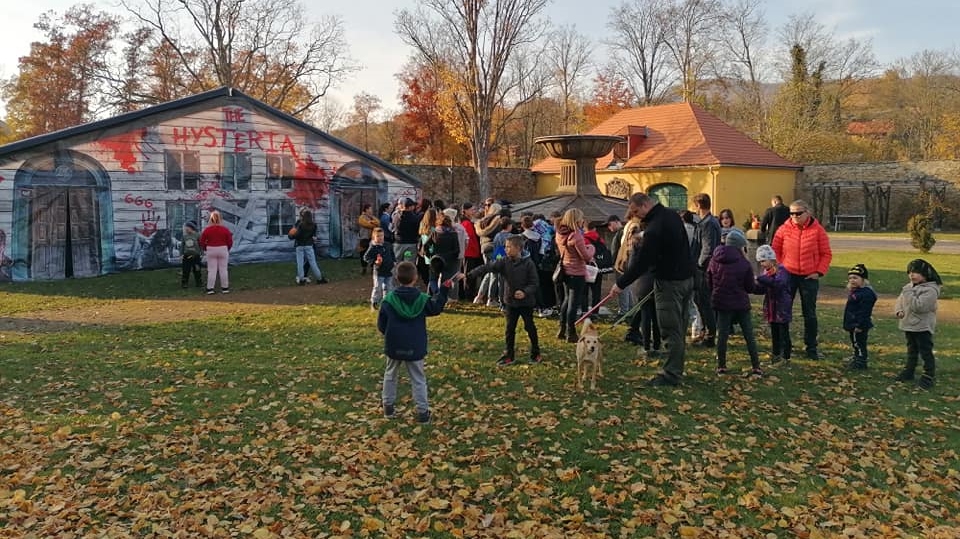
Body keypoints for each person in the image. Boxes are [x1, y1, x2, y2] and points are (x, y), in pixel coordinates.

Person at [611, 193, 695, 387]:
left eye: (636, 211)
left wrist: (620, 283)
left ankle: (671, 374)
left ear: (646, 204)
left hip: (669, 282)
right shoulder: (671, 215)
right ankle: (677, 367)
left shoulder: (655, 228)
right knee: (680, 327)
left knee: (669, 327)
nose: (635, 216)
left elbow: (642, 263)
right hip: (687, 278)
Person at [378, 261, 460, 424]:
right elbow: (436, 308)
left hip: (394, 343)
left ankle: (388, 406)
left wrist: (389, 334)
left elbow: (381, 324)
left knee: (390, 374)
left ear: (396, 278)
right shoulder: (422, 300)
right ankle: (422, 413)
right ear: (415, 278)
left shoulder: (388, 300)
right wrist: (444, 288)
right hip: (415, 344)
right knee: (418, 379)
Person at [771, 199, 832, 360]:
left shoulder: (818, 231)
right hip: (788, 275)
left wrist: (818, 272)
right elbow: (775, 249)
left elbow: (826, 253)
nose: (795, 216)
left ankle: (811, 347)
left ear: (807, 212)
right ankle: (785, 347)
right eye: (791, 213)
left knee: (809, 314)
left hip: (808, 276)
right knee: (783, 312)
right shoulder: (783, 229)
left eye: (798, 213)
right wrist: (780, 267)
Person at [467, 234, 542, 365]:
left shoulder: (529, 264)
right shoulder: (504, 261)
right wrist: (470, 274)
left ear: (518, 248)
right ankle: (509, 354)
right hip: (510, 302)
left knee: (529, 327)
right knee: (509, 329)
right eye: (505, 247)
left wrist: (525, 292)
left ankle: (536, 353)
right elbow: (488, 267)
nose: (506, 249)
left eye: (509, 247)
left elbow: (534, 283)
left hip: (526, 303)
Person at [707, 229, 762, 377]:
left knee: (722, 335)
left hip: (721, 302)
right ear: (740, 246)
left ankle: (721, 366)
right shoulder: (744, 263)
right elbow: (750, 287)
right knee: (748, 335)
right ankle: (756, 366)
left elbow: (710, 282)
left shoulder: (714, 260)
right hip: (740, 303)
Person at [894, 259, 942, 390]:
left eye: (915, 272)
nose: (912, 275)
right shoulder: (909, 287)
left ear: (925, 273)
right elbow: (900, 299)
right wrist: (899, 310)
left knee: (925, 351)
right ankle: (909, 371)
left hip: (922, 326)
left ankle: (928, 376)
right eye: (909, 272)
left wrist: (909, 293)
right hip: (909, 324)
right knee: (911, 350)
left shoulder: (931, 290)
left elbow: (918, 307)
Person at [555, 208, 595, 343]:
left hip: (564, 270)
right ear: (577, 220)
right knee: (573, 302)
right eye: (582, 218)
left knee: (567, 300)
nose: (583, 221)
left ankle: (562, 327)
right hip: (576, 272)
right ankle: (571, 332)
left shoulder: (561, 233)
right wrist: (591, 248)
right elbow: (586, 256)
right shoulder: (576, 236)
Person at [690, 193, 720, 347]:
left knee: (705, 302)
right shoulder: (707, 222)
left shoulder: (708, 223)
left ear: (698, 206)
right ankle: (704, 332)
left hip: (704, 270)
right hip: (703, 268)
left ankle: (709, 336)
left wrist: (699, 265)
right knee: (699, 301)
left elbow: (707, 249)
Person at [754, 245, 792, 364]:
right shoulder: (766, 273)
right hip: (772, 307)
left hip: (782, 307)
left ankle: (786, 356)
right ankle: (776, 354)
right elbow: (763, 288)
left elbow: (778, 284)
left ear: (771, 259)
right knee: (774, 332)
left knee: (783, 332)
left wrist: (761, 279)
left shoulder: (782, 270)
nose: (762, 264)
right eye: (760, 262)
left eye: (764, 261)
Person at [843, 263, 877, 370]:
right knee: (855, 342)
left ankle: (861, 361)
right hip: (853, 322)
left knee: (859, 343)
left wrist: (859, 325)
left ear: (863, 279)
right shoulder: (856, 292)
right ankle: (857, 357)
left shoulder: (866, 294)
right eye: (850, 278)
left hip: (859, 324)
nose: (852, 280)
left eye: (855, 278)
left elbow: (864, 312)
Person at [289, 209, 328, 286]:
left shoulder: (301, 225)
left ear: (303, 216)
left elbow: (297, 235)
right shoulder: (314, 225)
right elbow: (313, 236)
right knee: (313, 262)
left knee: (300, 262)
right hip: (309, 245)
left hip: (300, 245)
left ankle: (301, 280)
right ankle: (319, 278)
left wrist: (291, 236)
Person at [199, 210, 233, 294]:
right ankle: (225, 288)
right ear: (220, 219)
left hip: (211, 249)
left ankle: (210, 288)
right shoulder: (225, 229)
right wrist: (227, 248)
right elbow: (230, 241)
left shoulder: (207, 230)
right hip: (223, 248)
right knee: (223, 269)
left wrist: (205, 248)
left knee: (212, 270)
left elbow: (202, 241)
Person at [363, 227, 396, 310]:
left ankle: (386, 303)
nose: (380, 238)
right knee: (377, 287)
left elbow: (392, 254)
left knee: (389, 287)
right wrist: (375, 262)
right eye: (378, 236)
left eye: (382, 236)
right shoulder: (373, 247)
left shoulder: (388, 245)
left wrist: (394, 261)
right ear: (374, 237)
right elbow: (366, 257)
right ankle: (374, 302)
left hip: (389, 271)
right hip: (379, 271)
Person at [460, 202, 483, 300]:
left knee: (469, 274)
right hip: (469, 253)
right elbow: (469, 239)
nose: (473, 212)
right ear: (465, 211)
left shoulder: (468, 222)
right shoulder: (466, 223)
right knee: (468, 274)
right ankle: (467, 294)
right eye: (471, 210)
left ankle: (467, 293)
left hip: (470, 252)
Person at [392, 198, 420, 265]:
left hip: (398, 244)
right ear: (410, 207)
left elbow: (393, 228)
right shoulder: (415, 218)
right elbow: (417, 231)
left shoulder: (396, 216)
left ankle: (397, 275)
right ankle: (407, 275)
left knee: (397, 263)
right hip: (410, 245)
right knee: (408, 264)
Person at [357, 203, 379, 276]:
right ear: (366, 209)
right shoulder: (361, 217)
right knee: (363, 253)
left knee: (373, 253)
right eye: (370, 209)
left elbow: (378, 223)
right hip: (364, 238)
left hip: (372, 238)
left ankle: (373, 267)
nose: (371, 210)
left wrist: (371, 221)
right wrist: (372, 223)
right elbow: (366, 224)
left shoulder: (372, 217)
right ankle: (364, 267)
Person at [179, 220, 202, 288]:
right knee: (186, 270)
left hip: (196, 256)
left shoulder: (198, 235)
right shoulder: (184, 236)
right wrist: (181, 254)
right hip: (187, 256)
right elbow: (182, 246)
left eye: (187, 228)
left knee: (197, 269)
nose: (186, 229)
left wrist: (202, 253)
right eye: (185, 228)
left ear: (191, 227)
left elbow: (200, 245)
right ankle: (184, 283)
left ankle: (199, 282)